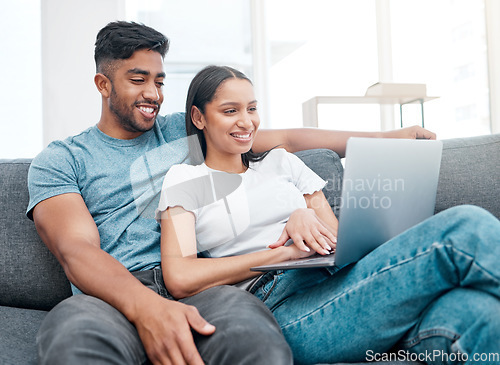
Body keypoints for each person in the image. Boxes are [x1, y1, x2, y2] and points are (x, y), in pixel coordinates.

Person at [27, 20, 435, 365]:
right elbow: (78, 251)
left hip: (203, 287)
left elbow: (289, 139)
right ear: (103, 83)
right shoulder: (62, 159)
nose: (153, 93)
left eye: (159, 80)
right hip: (108, 297)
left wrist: (385, 137)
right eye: (138, 80)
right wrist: (147, 306)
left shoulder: (182, 132)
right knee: (72, 339)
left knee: (253, 334)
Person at [157, 65, 500, 364]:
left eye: (252, 108)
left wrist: (304, 218)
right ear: (199, 118)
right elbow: (181, 276)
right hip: (282, 306)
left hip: (340, 281)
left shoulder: (283, 163)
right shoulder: (186, 179)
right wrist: (285, 252)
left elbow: (337, 242)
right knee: (464, 227)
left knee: (479, 313)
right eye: (230, 111)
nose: (246, 121)